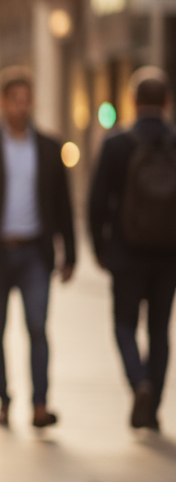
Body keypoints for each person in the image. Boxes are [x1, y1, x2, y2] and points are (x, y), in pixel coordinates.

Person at [0, 66, 76, 429]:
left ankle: (40, 405)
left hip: (34, 253)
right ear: (1, 102)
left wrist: (70, 254)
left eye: (27, 100)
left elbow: (63, 204)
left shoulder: (50, 147)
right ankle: (4, 400)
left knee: (37, 327)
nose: (22, 107)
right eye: (15, 100)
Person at [88, 67, 176, 430]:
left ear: (133, 101)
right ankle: (152, 407)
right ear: (166, 102)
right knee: (159, 329)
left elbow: (96, 202)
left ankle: (138, 382)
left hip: (125, 253)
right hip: (168, 254)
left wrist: (99, 248)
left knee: (124, 324)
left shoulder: (116, 143)